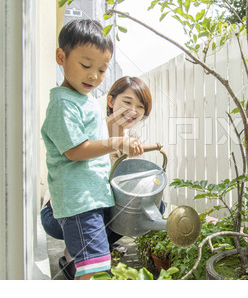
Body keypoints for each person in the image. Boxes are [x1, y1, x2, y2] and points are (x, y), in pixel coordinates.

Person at [41, 19, 144, 280]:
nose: (94, 76)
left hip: (89, 200)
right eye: (86, 65)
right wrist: (117, 142)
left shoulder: (83, 101)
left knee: (94, 266)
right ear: (61, 57)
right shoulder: (64, 104)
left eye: (101, 69)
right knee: (94, 271)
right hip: (79, 204)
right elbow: (75, 151)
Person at [41, 75, 163, 279]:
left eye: (140, 106)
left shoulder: (132, 141)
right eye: (127, 102)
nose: (133, 111)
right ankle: (75, 252)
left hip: (97, 209)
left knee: (148, 207)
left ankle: (98, 246)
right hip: (62, 214)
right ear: (110, 101)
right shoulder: (92, 129)